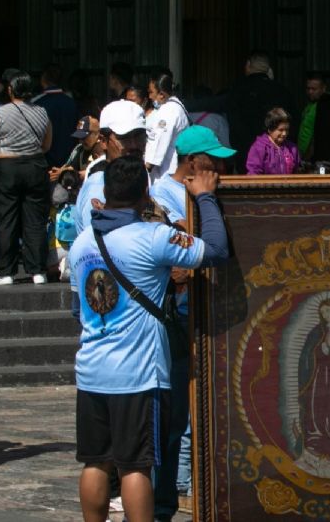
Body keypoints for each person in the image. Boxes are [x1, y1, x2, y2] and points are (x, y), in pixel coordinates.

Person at [68, 154, 228, 522]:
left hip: (92, 370)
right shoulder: (153, 238)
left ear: (105, 193)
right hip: (136, 375)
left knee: (96, 462)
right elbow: (215, 251)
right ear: (145, 194)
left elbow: (79, 308)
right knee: (136, 466)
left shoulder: (82, 244)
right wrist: (205, 197)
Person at [149, 124, 234, 521]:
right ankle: (179, 487)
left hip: (210, 299)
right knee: (180, 407)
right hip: (182, 307)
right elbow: (195, 244)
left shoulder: (205, 189)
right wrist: (204, 202)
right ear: (191, 161)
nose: (218, 165)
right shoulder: (165, 193)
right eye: (211, 158)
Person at [0, 70, 53, 285]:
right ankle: (38, 270)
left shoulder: (0, 113)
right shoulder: (42, 112)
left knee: (7, 219)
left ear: (10, 89)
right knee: (35, 220)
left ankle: (5, 271)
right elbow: (47, 144)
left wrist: (3, 156)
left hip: (7, 166)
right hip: (35, 166)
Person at [74, 101, 147, 233]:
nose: (134, 145)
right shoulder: (100, 187)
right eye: (124, 138)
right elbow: (97, 245)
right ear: (103, 141)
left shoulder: (135, 176)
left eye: (139, 136)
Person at [224, 51, 298, 173]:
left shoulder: (237, 91)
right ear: (268, 69)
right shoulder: (282, 91)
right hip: (278, 156)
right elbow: (294, 122)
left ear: (248, 65)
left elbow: (234, 123)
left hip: (245, 153)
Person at [144, 72, 190, 183]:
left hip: (166, 173)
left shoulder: (168, 111)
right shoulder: (177, 107)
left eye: (151, 92)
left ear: (161, 95)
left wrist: (147, 167)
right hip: (173, 169)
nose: (149, 97)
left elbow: (159, 141)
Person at [33, 63, 77, 168]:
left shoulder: (37, 104)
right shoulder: (72, 103)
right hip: (68, 161)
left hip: (45, 162)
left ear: (43, 79)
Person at [246, 107, 300, 175]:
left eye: (287, 130)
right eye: (280, 130)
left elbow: (297, 173)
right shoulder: (259, 148)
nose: (284, 133)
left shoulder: (292, 148)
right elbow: (253, 173)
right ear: (270, 129)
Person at [298, 73, 327, 157]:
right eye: (308, 88)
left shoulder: (323, 107)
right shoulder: (310, 105)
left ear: (323, 88)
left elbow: (318, 133)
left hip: (311, 155)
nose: (310, 92)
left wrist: (309, 154)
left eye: (314, 89)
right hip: (302, 153)